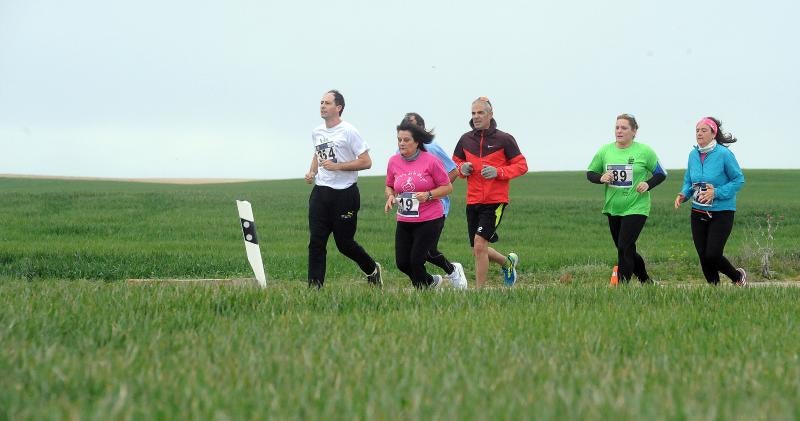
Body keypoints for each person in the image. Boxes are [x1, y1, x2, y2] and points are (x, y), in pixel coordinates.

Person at [304, 89, 382, 288]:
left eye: (327, 103)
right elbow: (318, 155)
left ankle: (372, 268)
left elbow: (366, 162)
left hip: (345, 194)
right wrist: (312, 172)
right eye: (321, 102)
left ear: (338, 108)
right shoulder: (317, 131)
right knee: (316, 242)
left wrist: (337, 166)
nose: (322, 106)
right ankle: (314, 287)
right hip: (321, 193)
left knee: (344, 244)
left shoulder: (349, 131)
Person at [452, 97, 528, 288]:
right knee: (478, 249)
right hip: (473, 200)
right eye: (473, 113)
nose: (476, 117)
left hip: (495, 201)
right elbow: (454, 164)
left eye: (480, 113)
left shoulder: (504, 139)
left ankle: (479, 293)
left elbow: (522, 165)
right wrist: (462, 169)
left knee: (479, 244)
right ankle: (506, 262)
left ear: (490, 114)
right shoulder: (465, 139)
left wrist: (499, 172)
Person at [587, 114, 667, 284]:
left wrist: (647, 184)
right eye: (617, 127)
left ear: (634, 131)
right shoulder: (605, 151)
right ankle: (646, 281)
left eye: (624, 128)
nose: (619, 131)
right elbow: (590, 173)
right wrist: (601, 178)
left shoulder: (644, 151)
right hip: (613, 207)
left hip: (637, 206)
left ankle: (622, 286)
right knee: (625, 248)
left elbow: (661, 173)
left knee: (625, 246)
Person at [674, 116, 746, 286]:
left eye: (703, 130)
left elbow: (738, 180)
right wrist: (683, 194)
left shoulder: (724, 154)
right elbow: (689, 181)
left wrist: (717, 193)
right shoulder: (693, 155)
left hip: (722, 211)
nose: (699, 133)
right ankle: (714, 291)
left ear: (713, 134)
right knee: (703, 256)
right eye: (697, 130)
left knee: (712, 254)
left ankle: (737, 277)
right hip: (698, 210)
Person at [399, 112, 467, 289]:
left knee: (425, 251)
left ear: (421, 130)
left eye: (412, 126)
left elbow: (453, 171)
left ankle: (449, 272)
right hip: (410, 213)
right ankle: (432, 281)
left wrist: (433, 192)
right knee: (413, 255)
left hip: (436, 208)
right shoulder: (400, 151)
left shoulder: (432, 148)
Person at [385, 122, 454, 288]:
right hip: (405, 220)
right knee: (402, 263)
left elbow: (447, 187)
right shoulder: (393, 161)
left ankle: (423, 294)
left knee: (416, 261)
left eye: (406, 140)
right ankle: (431, 282)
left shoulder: (431, 161)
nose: (401, 143)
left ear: (417, 142)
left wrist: (428, 195)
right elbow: (390, 185)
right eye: (399, 139)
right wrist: (390, 196)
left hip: (429, 219)